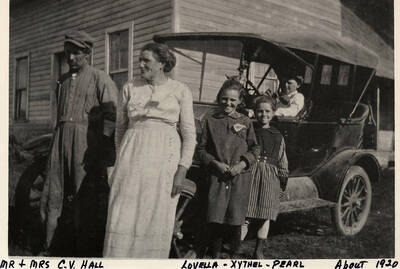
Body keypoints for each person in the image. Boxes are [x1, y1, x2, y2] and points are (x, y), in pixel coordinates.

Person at [103, 42, 196, 258]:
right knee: (123, 212)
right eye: (140, 60)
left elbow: (190, 135)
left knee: (155, 214)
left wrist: (182, 170)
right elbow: (120, 129)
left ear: (162, 63)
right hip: (131, 155)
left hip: (164, 158)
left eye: (146, 60)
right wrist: (120, 161)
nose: (140, 64)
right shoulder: (129, 87)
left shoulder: (180, 90)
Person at [39, 30, 119, 257]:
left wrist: (102, 146)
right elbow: (59, 115)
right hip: (60, 139)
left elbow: (111, 114)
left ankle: (85, 251)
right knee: (53, 191)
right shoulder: (62, 81)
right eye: (67, 53)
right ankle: (50, 247)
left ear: (87, 53)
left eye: (75, 53)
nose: (70, 58)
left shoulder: (100, 78)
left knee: (84, 195)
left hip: (86, 142)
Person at [197, 78, 259, 258]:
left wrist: (242, 164)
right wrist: (215, 163)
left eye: (233, 100)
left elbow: (255, 148)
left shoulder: (245, 121)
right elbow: (201, 149)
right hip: (217, 177)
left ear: (239, 101)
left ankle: (234, 255)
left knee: (235, 219)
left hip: (239, 178)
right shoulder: (210, 121)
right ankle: (215, 255)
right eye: (224, 99)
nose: (228, 103)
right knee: (216, 218)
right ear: (219, 98)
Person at [246, 96, 289, 259]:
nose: (263, 114)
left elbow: (282, 158)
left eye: (267, 111)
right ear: (255, 112)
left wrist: (283, 179)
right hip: (251, 172)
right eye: (260, 111)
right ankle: (235, 248)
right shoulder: (250, 130)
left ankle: (258, 250)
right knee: (246, 213)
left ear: (273, 113)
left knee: (266, 215)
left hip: (270, 176)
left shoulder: (277, 135)